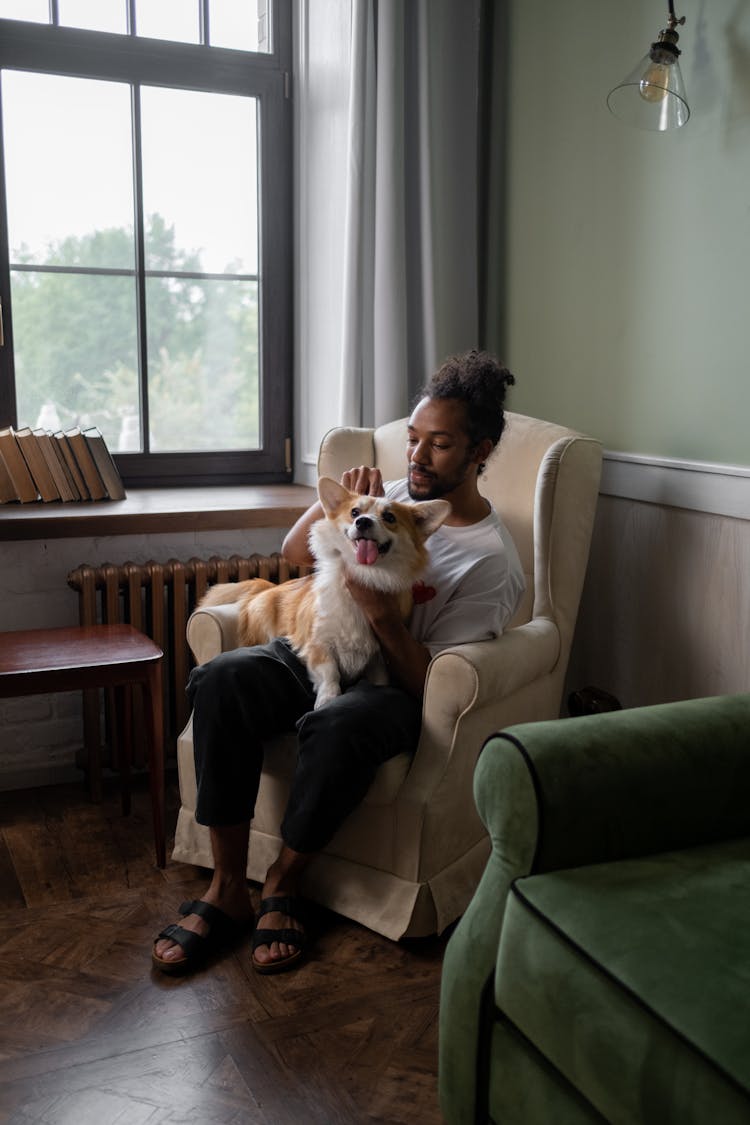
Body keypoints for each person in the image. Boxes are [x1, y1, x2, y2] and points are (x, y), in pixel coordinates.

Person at [152, 349, 525, 975]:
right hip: (324, 648)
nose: (415, 458)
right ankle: (225, 887)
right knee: (221, 680)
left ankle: (283, 882)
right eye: (412, 440)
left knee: (339, 723)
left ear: (479, 451)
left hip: (397, 684)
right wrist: (349, 500)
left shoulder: (489, 560)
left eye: (438, 444)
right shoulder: (396, 496)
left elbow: (434, 684)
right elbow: (297, 550)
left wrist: (380, 612)